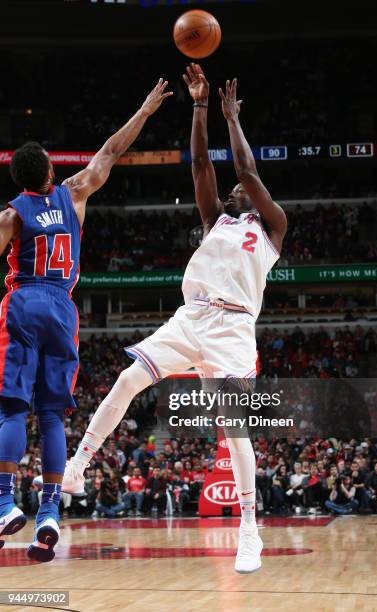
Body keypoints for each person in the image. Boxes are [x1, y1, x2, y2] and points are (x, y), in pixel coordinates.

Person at [55, 63, 287, 574]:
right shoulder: (216, 220)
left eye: (244, 188)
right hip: (192, 319)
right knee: (127, 379)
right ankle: (78, 466)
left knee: (236, 431)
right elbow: (201, 163)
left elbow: (247, 170)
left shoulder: (272, 226)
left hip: (232, 330)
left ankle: (249, 529)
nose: (238, 189)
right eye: (232, 191)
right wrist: (200, 106)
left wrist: (232, 118)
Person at [0, 78, 173, 561]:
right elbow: (110, 152)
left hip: (25, 300)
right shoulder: (75, 192)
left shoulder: (12, 215)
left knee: (12, 409)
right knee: (52, 414)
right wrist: (144, 109)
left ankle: (4, 503)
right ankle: (51, 512)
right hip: (63, 307)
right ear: (51, 170)